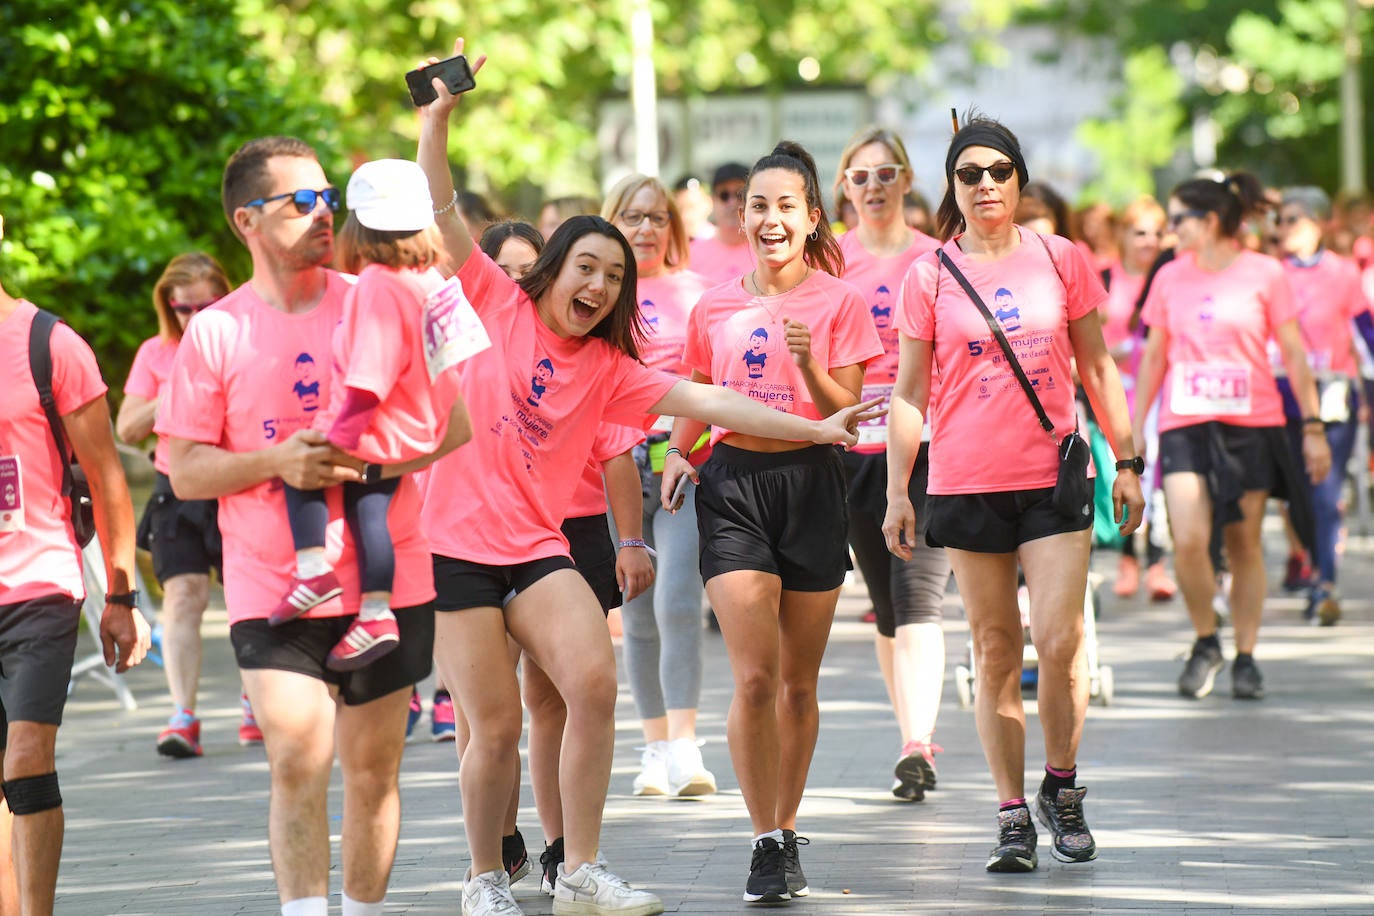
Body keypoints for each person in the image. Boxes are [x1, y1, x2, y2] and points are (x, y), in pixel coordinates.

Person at [414, 42, 880, 916]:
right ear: (553, 271)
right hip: (452, 549)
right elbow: (439, 204)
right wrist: (436, 122)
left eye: (614, 275)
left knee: (593, 685)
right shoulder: (492, 298)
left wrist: (818, 425)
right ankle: (483, 879)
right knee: (498, 726)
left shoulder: (611, 368)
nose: (598, 283)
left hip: (537, 547)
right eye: (584, 266)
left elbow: (719, 400)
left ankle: (579, 869)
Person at [158, 136, 469, 916]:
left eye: (328, 196)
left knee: (372, 775)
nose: (324, 212)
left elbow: (457, 426)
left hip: (388, 578)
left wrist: (372, 464)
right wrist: (279, 463)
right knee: (299, 757)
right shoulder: (215, 332)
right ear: (245, 222)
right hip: (274, 586)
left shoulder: (383, 288)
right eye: (301, 202)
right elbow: (186, 469)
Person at [882, 116, 1143, 874]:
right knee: (995, 649)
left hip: (1053, 475)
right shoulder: (928, 274)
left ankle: (1060, 786)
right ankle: (1009, 814)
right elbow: (908, 390)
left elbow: (1097, 367)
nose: (986, 184)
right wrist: (899, 489)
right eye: (970, 174)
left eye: (1000, 171)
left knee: (1060, 642)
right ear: (953, 187)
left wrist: (1128, 460)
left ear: (1020, 180)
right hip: (965, 483)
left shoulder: (1062, 258)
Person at [661, 139, 883, 904]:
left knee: (797, 683)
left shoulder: (839, 302)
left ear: (812, 216)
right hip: (735, 486)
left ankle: (787, 827)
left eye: (786, 206)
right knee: (753, 678)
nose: (770, 219)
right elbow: (694, 386)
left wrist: (807, 359)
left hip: (814, 484)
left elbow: (843, 418)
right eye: (758, 205)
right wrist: (677, 452)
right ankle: (762, 838)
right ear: (743, 216)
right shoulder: (714, 301)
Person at [1132, 172, 1331, 703]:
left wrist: (1312, 426)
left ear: (1211, 221)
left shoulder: (1265, 273)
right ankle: (1205, 641)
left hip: (1251, 424)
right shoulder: (1171, 276)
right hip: (1185, 424)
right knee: (1190, 539)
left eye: (1179, 220)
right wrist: (1131, 432)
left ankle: (1245, 654)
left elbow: (1291, 352)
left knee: (1243, 542)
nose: (1171, 231)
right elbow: (1153, 355)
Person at [0, 210, 150, 914]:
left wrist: (121, 598)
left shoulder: (49, 343)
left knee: (26, 753)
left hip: (40, 579)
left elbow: (107, 477)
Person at [273, 158, 467, 673]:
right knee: (371, 513)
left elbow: (368, 378)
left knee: (302, 467)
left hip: (373, 425)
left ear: (358, 225)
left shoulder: (379, 284)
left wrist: (338, 440)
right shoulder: (429, 280)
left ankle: (313, 570)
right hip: (419, 427)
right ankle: (376, 613)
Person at [831, 126, 949, 802]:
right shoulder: (829, 262)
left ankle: (915, 741)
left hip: (930, 445)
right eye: (860, 176)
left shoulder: (937, 260)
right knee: (884, 607)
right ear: (844, 189)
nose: (874, 186)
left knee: (919, 599)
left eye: (886, 173)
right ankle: (915, 734)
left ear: (907, 181)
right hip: (853, 450)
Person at [117, 252, 265, 756]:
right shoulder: (156, 353)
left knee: (248, 596)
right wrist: (180, 375)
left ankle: (255, 701)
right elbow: (127, 428)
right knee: (182, 598)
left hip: (234, 481)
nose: (195, 318)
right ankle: (183, 715)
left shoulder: (248, 340)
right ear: (169, 307)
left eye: (208, 305)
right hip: (174, 488)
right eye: (184, 309)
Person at [599, 174, 717, 800]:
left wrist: (687, 444)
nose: (646, 229)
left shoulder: (698, 294)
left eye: (657, 218)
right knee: (635, 609)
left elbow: (712, 380)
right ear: (610, 220)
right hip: (613, 465)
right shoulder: (597, 294)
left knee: (677, 599)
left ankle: (685, 745)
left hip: (684, 462)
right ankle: (651, 749)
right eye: (632, 217)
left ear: (674, 227)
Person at [1275, 186, 1374, 625]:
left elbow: (1366, 335)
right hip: (1284, 394)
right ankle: (1316, 568)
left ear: (1318, 222)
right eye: (1279, 220)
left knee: (1326, 490)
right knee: (1297, 492)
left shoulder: (1344, 272)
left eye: (1293, 219)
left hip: (1334, 393)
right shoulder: (1272, 275)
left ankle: (1326, 584)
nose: (1283, 228)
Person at [1100, 198, 1178, 602]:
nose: (1148, 241)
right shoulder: (1105, 279)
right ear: (1122, 236)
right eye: (1139, 232)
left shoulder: (1172, 277)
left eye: (1155, 232)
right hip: (1116, 394)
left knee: (1159, 479)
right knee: (1126, 473)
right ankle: (1128, 559)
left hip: (1162, 393)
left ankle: (1159, 564)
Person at [688, 163, 755, 286]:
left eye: (740, 194)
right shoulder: (690, 255)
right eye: (724, 195)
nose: (733, 202)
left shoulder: (767, 251)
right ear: (712, 200)